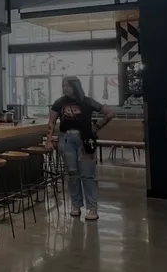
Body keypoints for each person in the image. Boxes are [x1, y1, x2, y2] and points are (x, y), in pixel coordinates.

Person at [45, 76, 115, 221]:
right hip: (66, 139)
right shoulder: (59, 102)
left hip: (85, 140)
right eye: (63, 85)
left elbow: (110, 113)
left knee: (88, 175)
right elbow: (51, 122)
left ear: (75, 86)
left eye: (67, 85)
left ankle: (92, 208)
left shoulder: (88, 101)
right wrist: (49, 140)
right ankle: (76, 205)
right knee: (72, 174)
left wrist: (96, 127)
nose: (65, 88)